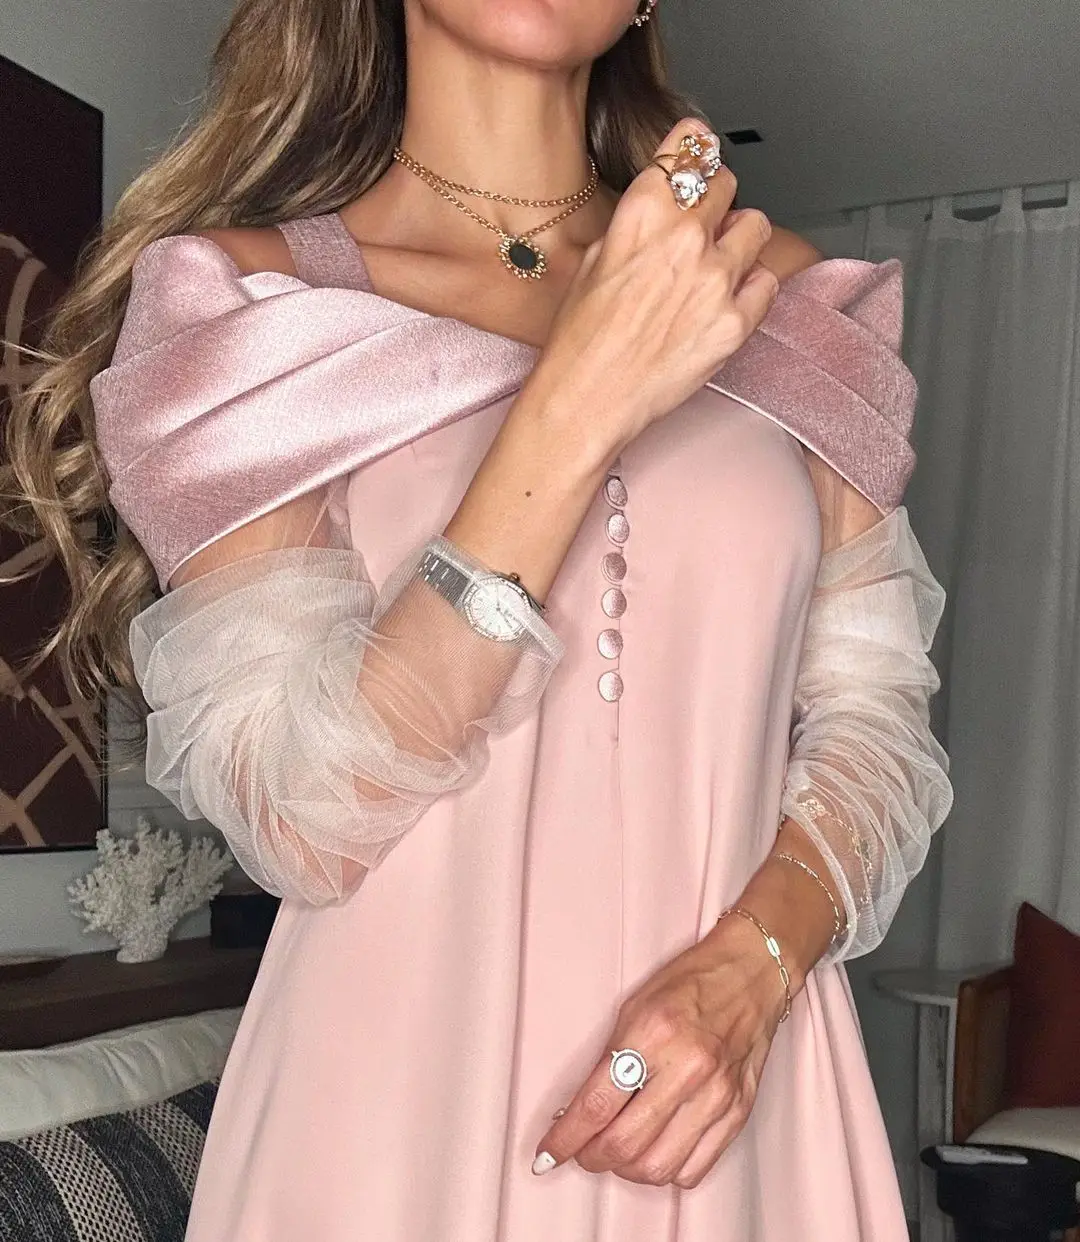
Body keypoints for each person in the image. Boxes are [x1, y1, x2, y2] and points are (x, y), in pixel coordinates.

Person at [3, 0, 953, 1238]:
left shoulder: (781, 300)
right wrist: (578, 399)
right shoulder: (242, 305)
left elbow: (880, 722)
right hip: (393, 1120)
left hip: (730, 1097)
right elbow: (303, 816)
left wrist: (754, 968)